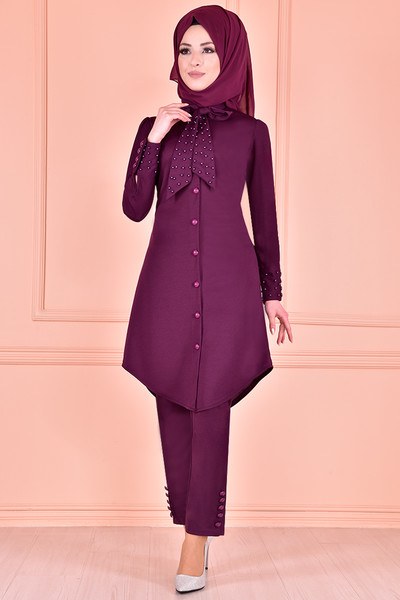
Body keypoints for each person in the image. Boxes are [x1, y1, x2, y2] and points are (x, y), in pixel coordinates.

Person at [121, 4, 293, 593]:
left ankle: (195, 541)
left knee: (212, 406)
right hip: (166, 287)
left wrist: (273, 294)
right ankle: (190, 521)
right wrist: (153, 138)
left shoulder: (251, 133)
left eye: (208, 50)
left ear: (231, 56)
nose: (195, 61)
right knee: (172, 401)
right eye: (185, 50)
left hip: (228, 286)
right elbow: (134, 207)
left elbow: (264, 216)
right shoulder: (155, 128)